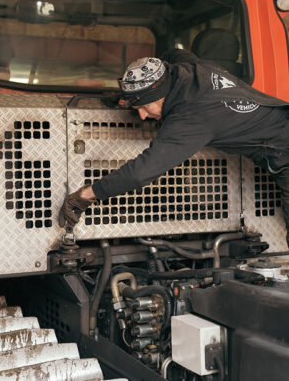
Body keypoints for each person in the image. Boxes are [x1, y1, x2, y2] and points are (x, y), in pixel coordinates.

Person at [59, 49, 289, 246]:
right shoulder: (188, 69)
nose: (141, 115)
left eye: (145, 106)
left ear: (161, 95)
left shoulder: (191, 118)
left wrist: (86, 195)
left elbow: (141, 172)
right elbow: (171, 53)